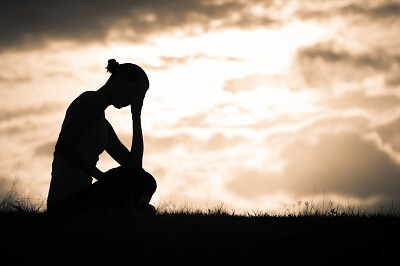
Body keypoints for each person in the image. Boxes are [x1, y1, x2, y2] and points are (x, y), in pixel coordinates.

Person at [46, 59, 157, 215]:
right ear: (122, 79)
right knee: (144, 182)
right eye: (134, 93)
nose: (133, 100)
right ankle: (131, 214)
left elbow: (134, 166)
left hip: (81, 197)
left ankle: (130, 213)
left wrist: (136, 116)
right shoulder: (91, 100)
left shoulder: (103, 125)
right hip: (65, 202)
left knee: (145, 180)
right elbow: (64, 146)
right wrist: (102, 177)